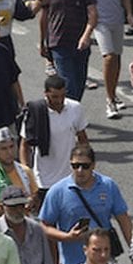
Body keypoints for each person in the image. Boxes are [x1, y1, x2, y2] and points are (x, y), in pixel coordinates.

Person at [39, 144, 132, 264]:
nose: (80, 170)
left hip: (105, 262)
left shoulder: (108, 186)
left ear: (93, 165)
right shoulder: (57, 191)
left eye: (85, 166)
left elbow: (124, 220)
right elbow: (44, 226)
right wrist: (67, 237)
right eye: (75, 166)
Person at [81, 0, 131, 118]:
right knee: (108, 56)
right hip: (99, 21)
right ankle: (109, 101)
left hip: (116, 19)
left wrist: (129, 14)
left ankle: (114, 94)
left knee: (116, 58)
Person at [19, 75, 88, 207]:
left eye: (63, 95)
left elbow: (82, 137)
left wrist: (86, 164)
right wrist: (26, 172)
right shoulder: (36, 111)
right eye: (55, 96)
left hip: (69, 177)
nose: (60, 100)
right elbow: (24, 144)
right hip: (43, 179)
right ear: (46, 94)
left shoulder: (75, 108)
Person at [37, 0, 96, 100]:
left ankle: (72, 115)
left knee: (79, 82)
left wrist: (86, 36)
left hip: (79, 44)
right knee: (68, 85)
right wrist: (42, 42)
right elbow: (43, 17)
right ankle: (68, 119)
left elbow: (93, 14)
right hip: (58, 43)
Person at [0, 128, 37, 210]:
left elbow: (35, 196)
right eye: (4, 149)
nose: (9, 152)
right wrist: (11, 206)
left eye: (11, 147)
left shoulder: (25, 171)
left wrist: (32, 200)